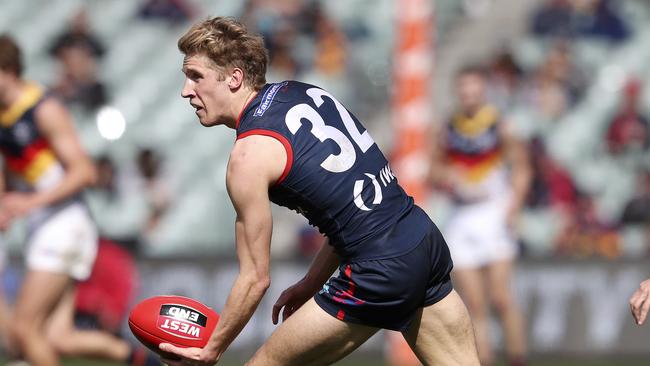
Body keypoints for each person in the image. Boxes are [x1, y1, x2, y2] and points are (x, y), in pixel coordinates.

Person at [159, 17, 480, 366]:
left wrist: (212, 348)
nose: (186, 91)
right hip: (422, 238)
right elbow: (350, 206)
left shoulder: (247, 156)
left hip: (379, 266)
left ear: (234, 78)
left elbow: (255, 278)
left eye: (196, 76)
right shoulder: (301, 91)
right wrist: (312, 281)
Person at [0, 34, 157, 366]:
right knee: (59, 336)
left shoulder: (43, 109)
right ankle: (145, 361)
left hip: (64, 223)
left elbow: (84, 172)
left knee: (23, 331)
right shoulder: (5, 114)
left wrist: (27, 204)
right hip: (46, 223)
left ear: (9, 71)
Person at [429, 66, 531, 366]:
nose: (469, 95)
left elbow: (522, 167)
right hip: (462, 215)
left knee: (501, 296)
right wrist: (447, 173)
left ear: (483, 90)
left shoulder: (500, 124)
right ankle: (483, 360)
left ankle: (517, 358)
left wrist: (514, 205)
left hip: (494, 211)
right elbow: (433, 169)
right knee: (474, 304)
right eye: (464, 89)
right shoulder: (448, 127)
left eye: (474, 89)